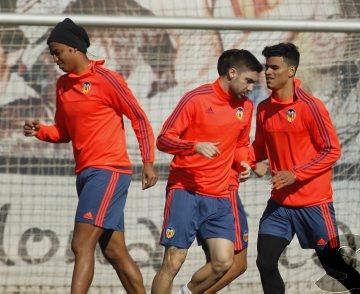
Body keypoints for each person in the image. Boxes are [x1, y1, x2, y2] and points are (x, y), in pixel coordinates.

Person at [23, 18, 158, 294]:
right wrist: (40, 131)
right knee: (114, 251)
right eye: (51, 53)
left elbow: (139, 119)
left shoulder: (108, 79)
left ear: (74, 48)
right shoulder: (62, 86)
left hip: (109, 171)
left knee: (81, 244)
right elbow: (63, 132)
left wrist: (148, 162)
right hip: (86, 174)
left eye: (57, 51)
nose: (55, 58)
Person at [250, 42, 360, 293]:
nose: (268, 72)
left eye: (274, 67)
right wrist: (248, 163)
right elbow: (258, 148)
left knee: (333, 266)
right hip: (280, 205)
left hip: (314, 204)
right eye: (266, 67)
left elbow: (332, 150)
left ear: (291, 71)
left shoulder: (311, 107)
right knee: (265, 261)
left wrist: (296, 174)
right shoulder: (263, 109)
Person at [152, 49, 262, 294]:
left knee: (224, 262)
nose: (252, 88)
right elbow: (164, 140)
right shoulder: (196, 98)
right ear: (232, 73)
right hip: (186, 191)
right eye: (249, 81)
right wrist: (193, 145)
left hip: (220, 195)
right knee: (173, 261)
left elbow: (241, 143)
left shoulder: (245, 106)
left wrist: (244, 163)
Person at [179, 161, 269, 294]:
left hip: (210, 192)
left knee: (215, 264)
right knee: (237, 265)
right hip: (225, 194)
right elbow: (259, 167)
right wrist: (255, 162)